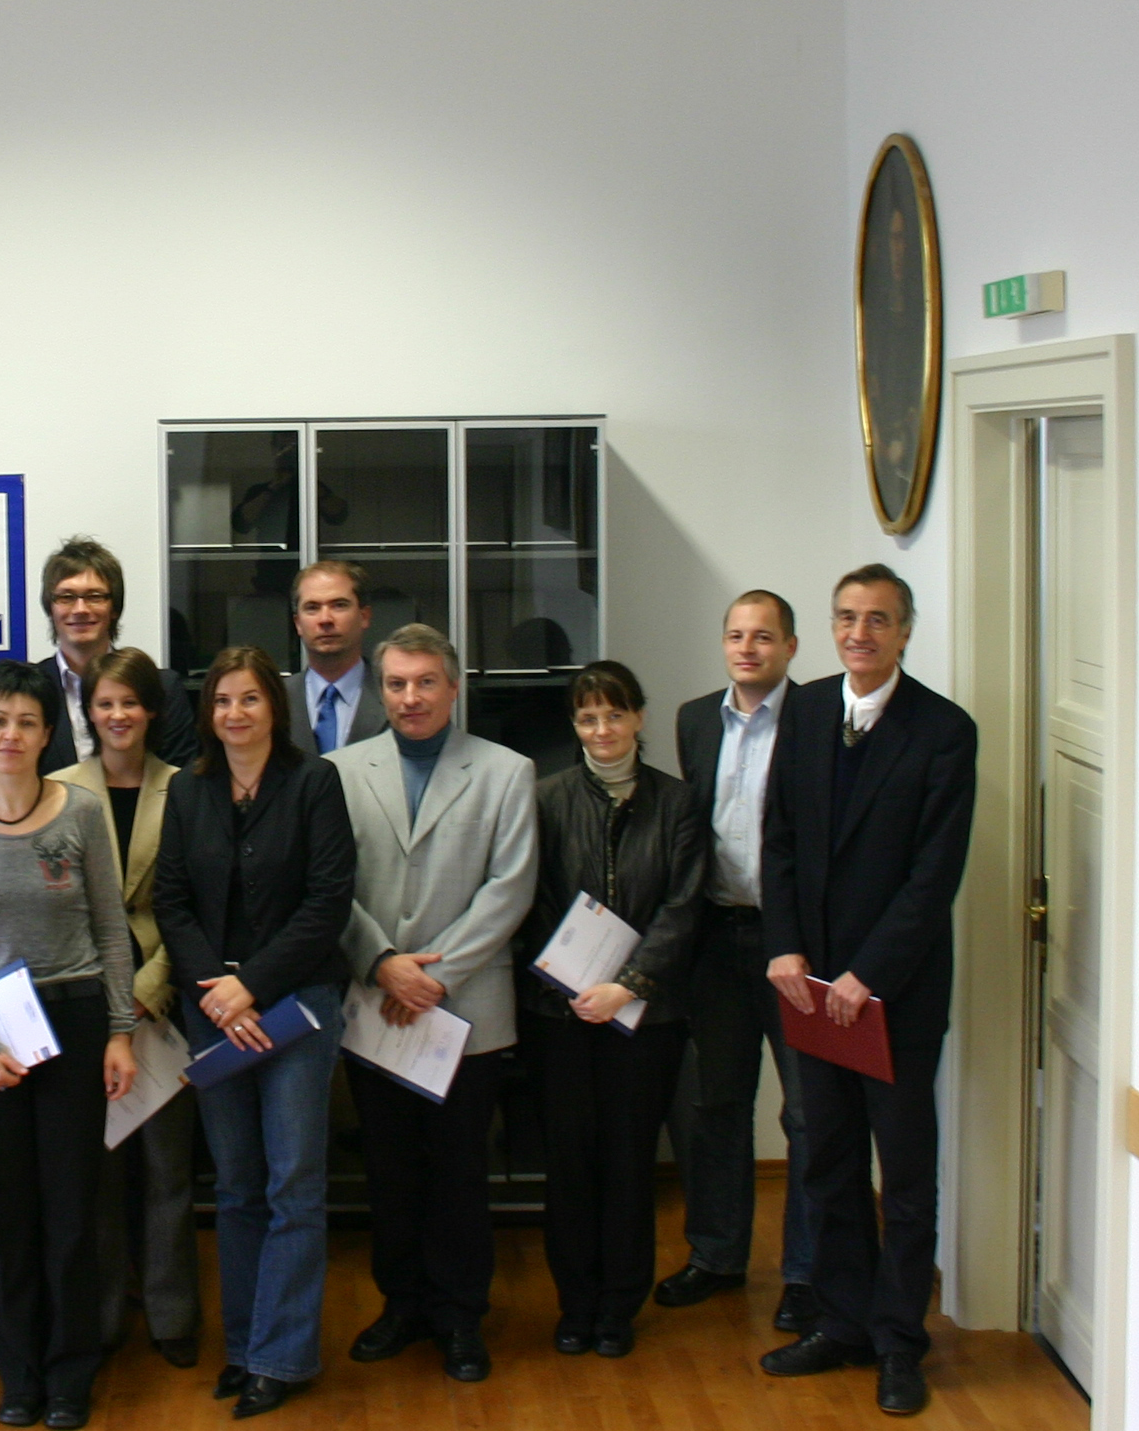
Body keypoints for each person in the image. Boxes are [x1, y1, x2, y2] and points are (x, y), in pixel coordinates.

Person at [758, 565, 975, 1418]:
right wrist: (785, 947)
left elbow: (933, 876)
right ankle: (842, 1322)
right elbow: (779, 836)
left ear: (905, 631)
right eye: (848, 617)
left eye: (878, 620)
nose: (860, 633)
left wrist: (868, 973)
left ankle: (898, 1342)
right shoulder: (807, 709)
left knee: (906, 1175)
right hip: (812, 991)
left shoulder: (945, 731)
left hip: (895, 996)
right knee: (828, 1161)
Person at [0, 659, 139, 1430]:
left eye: (26, 721)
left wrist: (120, 1030)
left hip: (75, 1023)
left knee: (72, 1211)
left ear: (47, 733)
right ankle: (19, 1375)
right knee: (12, 1214)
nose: (11, 734)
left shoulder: (80, 812)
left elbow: (111, 928)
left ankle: (70, 1372)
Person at [332, 624, 538, 1385]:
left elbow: (511, 888)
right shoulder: (339, 771)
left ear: (453, 688)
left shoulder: (506, 771)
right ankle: (402, 1305)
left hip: (465, 1011)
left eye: (425, 683)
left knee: (458, 1172)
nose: (410, 697)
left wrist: (435, 977)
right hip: (376, 1005)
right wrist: (383, 964)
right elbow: (329, 886)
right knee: (389, 1170)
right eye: (396, 683)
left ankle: (460, 1317)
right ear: (380, 689)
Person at [152, 646, 353, 1419]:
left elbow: (328, 901)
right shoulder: (189, 789)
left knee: (293, 1185)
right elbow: (172, 901)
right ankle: (242, 1347)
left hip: (296, 1005)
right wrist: (218, 990)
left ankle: (282, 1356)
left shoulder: (314, 783)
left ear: (275, 707)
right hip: (214, 1013)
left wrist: (253, 986)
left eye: (250, 699)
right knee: (236, 1188)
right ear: (207, 714)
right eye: (222, 701)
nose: (235, 713)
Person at [519, 661, 704, 1358]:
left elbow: (683, 908)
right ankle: (576, 1303)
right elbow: (532, 901)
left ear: (639, 718)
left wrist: (627, 984)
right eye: (588, 718)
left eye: (615, 715)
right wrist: (573, 986)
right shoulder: (546, 798)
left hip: (646, 1017)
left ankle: (619, 1305)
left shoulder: (678, 804)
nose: (602, 730)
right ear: (575, 725)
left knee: (629, 1162)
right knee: (570, 1163)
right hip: (559, 1013)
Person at [657, 590, 819, 1334]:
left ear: (790, 646)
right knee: (716, 1105)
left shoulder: (817, 719)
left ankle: (806, 1274)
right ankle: (717, 1256)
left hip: (795, 947)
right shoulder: (695, 719)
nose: (747, 648)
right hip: (717, 939)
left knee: (806, 1114)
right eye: (735, 636)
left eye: (762, 637)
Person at [55, 648, 203, 1371]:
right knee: (100, 1173)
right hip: (84, 1002)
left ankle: (173, 1317)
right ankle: (106, 1314)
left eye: (130, 703)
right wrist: (110, 1000)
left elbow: (196, 903)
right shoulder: (59, 788)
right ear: (88, 712)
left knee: (169, 1170)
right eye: (104, 703)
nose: (118, 715)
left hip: (162, 1005)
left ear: (152, 712)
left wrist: (149, 989)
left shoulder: (188, 789)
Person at [33, 536, 197, 772]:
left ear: (114, 608)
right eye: (66, 597)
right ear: (50, 607)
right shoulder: (30, 691)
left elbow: (178, 779)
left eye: (94, 596)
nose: (80, 609)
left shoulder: (163, 688)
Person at [282, 562, 384, 757]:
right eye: (312, 608)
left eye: (339, 605)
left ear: (364, 616)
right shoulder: (273, 700)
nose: (325, 619)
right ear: (298, 624)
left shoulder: (394, 695)